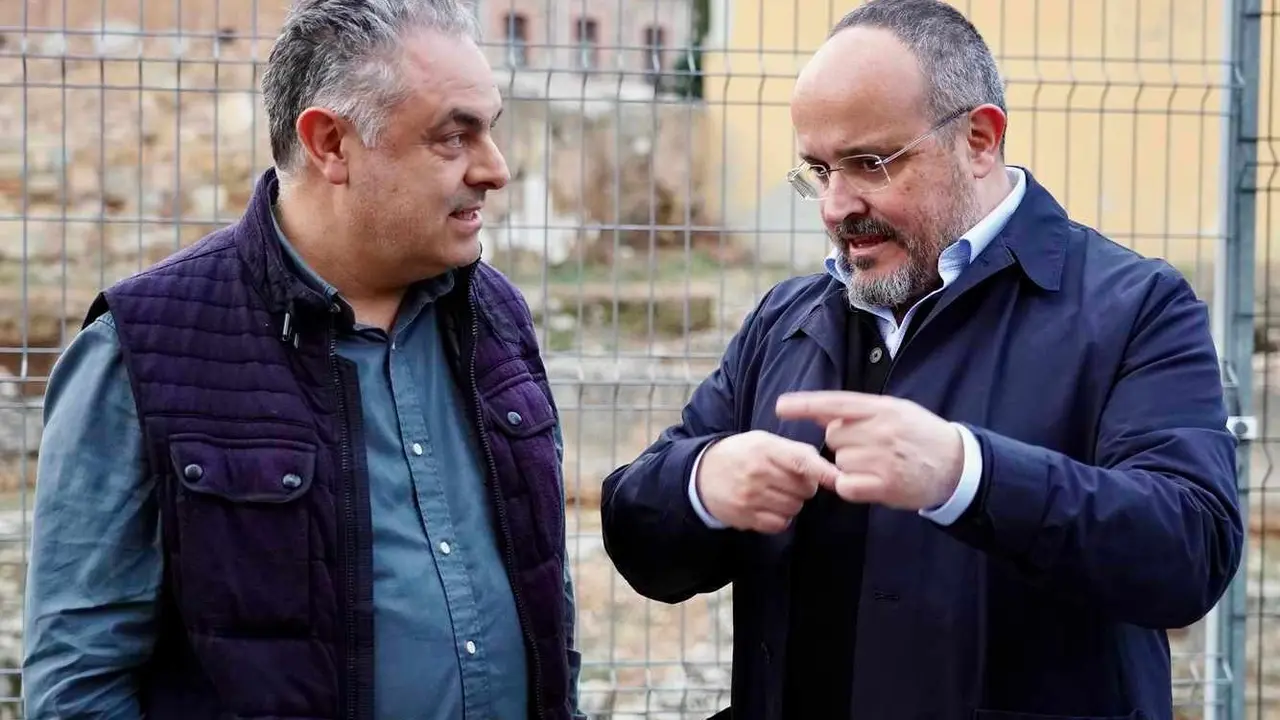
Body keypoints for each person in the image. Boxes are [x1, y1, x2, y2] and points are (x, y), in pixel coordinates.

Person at [599, 1, 1244, 718]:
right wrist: (701, 484)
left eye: (869, 163)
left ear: (978, 139)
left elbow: (1190, 550)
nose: (835, 206)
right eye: (817, 169)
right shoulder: (787, 319)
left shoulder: (1134, 307)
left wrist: (967, 474)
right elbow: (640, 538)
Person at [22, 1, 585, 718]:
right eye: (454, 137)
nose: (495, 170)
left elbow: (546, 594)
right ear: (330, 145)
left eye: (491, 131)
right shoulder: (141, 350)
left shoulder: (495, 316)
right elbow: (79, 681)